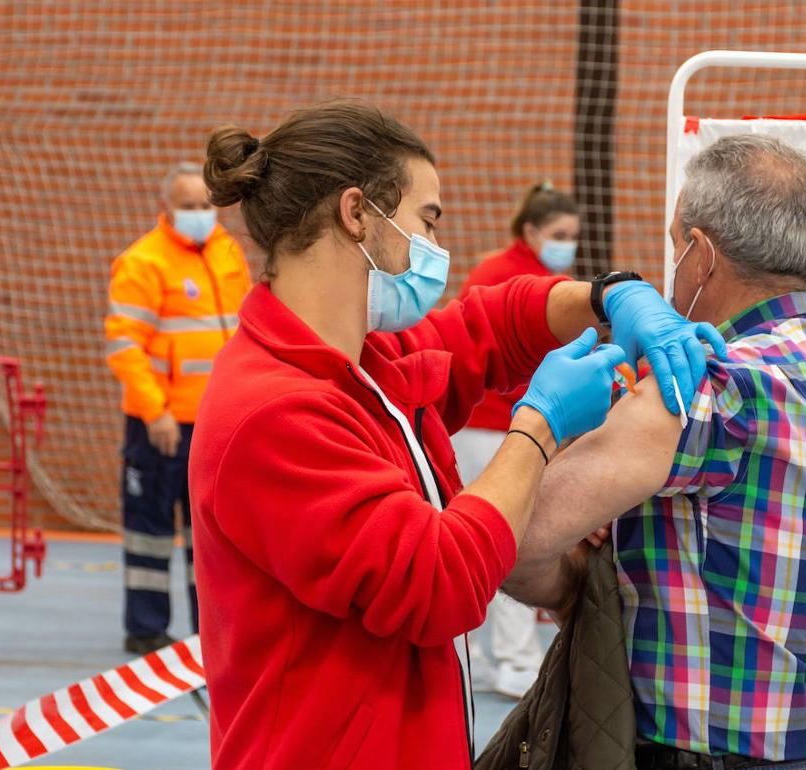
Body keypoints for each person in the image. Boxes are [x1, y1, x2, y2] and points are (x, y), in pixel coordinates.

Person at [188, 100, 723, 770]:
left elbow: (491, 326)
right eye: (426, 221)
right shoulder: (272, 414)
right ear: (357, 214)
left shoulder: (363, 366)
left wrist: (610, 295)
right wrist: (539, 428)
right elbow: (440, 584)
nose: (435, 249)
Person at [503, 135, 806, 770]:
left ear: (701, 254)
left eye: (674, 242)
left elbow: (512, 534)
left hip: (697, 755)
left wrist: (546, 434)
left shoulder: (713, 386)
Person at [104, 162, 251, 654]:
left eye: (206, 206)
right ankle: (145, 630)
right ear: (166, 207)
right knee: (149, 526)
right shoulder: (142, 262)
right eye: (189, 207)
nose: (199, 215)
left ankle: (208, 631)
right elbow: (124, 347)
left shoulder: (229, 253)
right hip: (161, 422)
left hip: (219, 421)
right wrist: (155, 412)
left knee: (211, 533)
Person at [453, 182, 580, 698]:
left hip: (500, 427)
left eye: (573, 235)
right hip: (490, 427)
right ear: (530, 231)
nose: (567, 243)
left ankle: (490, 656)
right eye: (559, 234)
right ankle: (513, 660)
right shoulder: (503, 277)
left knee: (488, 538)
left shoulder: (546, 278)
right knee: (508, 537)